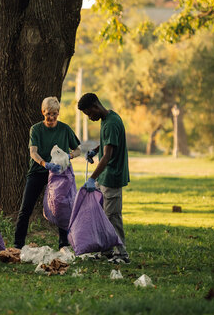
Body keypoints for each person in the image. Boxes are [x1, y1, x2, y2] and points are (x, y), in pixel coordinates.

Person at [14, 96, 81, 250]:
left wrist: (68, 156)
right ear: (42, 112)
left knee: (62, 208)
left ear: (58, 113)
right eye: (48, 114)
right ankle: (18, 245)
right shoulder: (36, 129)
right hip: (39, 171)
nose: (51, 117)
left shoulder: (65, 129)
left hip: (59, 174)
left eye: (54, 114)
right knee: (26, 208)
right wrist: (45, 164)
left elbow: (78, 150)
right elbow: (33, 152)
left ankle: (64, 244)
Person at [77, 92, 130, 264]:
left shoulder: (111, 123)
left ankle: (122, 254)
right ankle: (106, 251)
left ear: (95, 107)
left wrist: (92, 178)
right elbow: (108, 143)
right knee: (102, 215)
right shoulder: (109, 119)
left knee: (112, 216)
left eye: (88, 114)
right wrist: (96, 149)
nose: (89, 117)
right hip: (105, 177)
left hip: (112, 176)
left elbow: (107, 156)